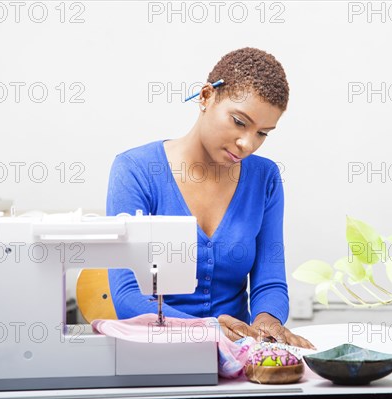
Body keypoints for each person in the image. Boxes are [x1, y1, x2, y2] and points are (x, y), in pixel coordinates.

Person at [106, 47, 313, 349]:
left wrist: (267, 324)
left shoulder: (264, 178)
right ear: (206, 97)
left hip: (237, 356)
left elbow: (269, 282)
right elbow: (127, 296)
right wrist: (208, 330)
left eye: (262, 133)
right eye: (240, 122)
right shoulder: (136, 171)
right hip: (156, 351)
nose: (247, 143)